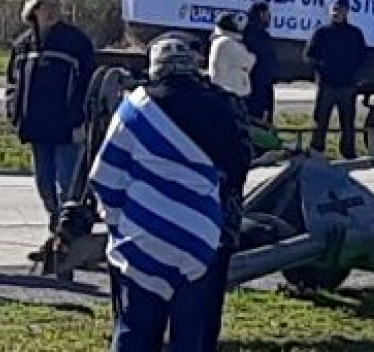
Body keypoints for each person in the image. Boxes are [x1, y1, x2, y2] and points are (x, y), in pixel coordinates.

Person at [90, 35, 253, 351]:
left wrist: (117, 223)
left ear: (155, 68)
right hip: (202, 238)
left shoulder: (136, 109)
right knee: (191, 336)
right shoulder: (223, 104)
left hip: (143, 237)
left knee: (135, 331)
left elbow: (105, 177)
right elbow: (238, 165)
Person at [6, 0, 95, 251]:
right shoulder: (22, 45)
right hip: (35, 128)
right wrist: (14, 114)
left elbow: (87, 85)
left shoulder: (75, 42)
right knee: (44, 184)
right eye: (46, 6)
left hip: (67, 128)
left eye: (56, 7)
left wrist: (81, 121)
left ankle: (64, 240)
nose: (52, 12)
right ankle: (59, 233)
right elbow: (12, 83)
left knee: (66, 187)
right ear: (34, 8)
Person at [305, 0, 367, 159]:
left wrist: (355, 74)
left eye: (340, 10)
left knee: (347, 123)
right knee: (320, 121)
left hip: (347, 85)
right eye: (334, 10)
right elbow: (309, 55)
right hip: (327, 85)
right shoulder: (322, 32)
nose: (336, 13)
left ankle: (348, 154)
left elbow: (363, 57)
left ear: (346, 12)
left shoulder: (355, 33)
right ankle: (316, 153)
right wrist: (322, 68)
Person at [242, 2, 279, 122]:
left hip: (256, 83)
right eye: (268, 14)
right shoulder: (257, 34)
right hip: (258, 85)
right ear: (261, 14)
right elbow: (265, 59)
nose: (270, 17)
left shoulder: (248, 32)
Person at [208, 12, 255, 100]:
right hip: (230, 91)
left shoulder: (221, 41)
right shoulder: (227, 42)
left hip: (225, 90)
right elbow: (249, 61)